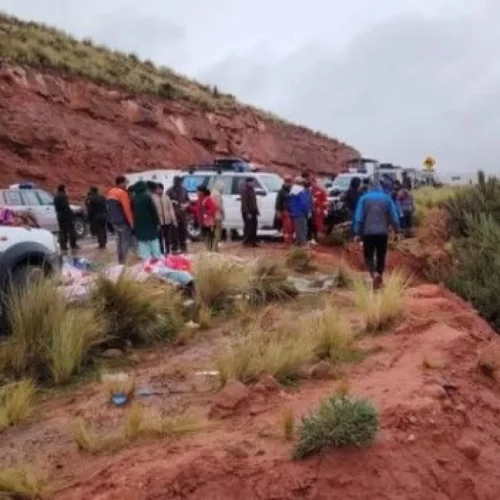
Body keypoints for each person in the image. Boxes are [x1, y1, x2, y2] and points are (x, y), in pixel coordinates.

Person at [353, 179, 400, 289]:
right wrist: (397, 231)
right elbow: (394, 217)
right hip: (383, 233)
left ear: (369, 187)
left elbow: (358, 217)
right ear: (381, 187)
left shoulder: (363, 198)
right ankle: (379, 275)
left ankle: (373, 273)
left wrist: (356, 232)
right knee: (381, 255)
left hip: (368, 233)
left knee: (368, 255)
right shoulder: (387, 198)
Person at [131, 181, 162, 260]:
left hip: (139, 226)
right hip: (150, 225)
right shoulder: (147, 197)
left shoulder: (133, 199)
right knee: (154, 244)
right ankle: (157, 262)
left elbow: (132, 213)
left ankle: (147, 264)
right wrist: (157, 223)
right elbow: (153, 212)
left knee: (143, 246)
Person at [107, 175, 134, 264]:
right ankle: (125, 261)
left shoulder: (110, 192)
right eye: (125, 183)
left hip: (114, 221)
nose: (126, 185)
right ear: (121, 183)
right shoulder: (122, 193)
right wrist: (131, 223)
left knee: (118, 241)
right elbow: (127, 209)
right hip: (123, 221)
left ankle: (120, 260)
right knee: (125, 241)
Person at [152, 183, 177, 255]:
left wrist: (174, 220)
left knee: (167, 237)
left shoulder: (166, 197)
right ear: (155, 190)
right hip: (158, 221)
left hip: (167, 221)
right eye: (157, 189)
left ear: (162, 189)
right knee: (159, 238)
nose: (159, 190)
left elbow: (171, 209)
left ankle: (168, 251)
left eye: (160, 188)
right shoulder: (153, 198)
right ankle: (161, 251)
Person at [167, 176, 190, 254]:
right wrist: (172, 202)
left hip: (182, 214)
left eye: (180, 181)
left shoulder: (184, 190)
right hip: (173, 214)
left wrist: (185, 205)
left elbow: (188, 200)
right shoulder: (169, 191)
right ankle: (174, 248)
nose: (179, 183)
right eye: (178, 181)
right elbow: (166, 201)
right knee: (173, 231)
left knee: (183, 230)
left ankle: (183, 247)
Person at [54, 184, 78, 253]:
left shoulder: (56, 196)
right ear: (63, 189)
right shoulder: (63, 196)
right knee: (71, 231)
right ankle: (73, 245)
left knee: (62, 231)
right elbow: (66, 207)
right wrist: (72, 215)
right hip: (66, 216)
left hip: (59, 216)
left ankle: (63, 246)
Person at [288, 177, 312, 247]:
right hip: (301, 213)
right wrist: (307, 212)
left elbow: (290, 202)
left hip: (295, 213)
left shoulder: (293, 190)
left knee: (298, 229)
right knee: (303, 229)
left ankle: (298, 244)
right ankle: (303, 245)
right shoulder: (301, 191)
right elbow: (304, 203)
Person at [240, 177, 259, 247]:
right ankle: (246, 241)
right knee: (248, 227)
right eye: (252, 182)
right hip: (248, 211)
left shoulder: (252, 189)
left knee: (254, 226)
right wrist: (247, 212)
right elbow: (244, 202)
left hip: (253, 211)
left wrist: (256, 210)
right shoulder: (244, 190)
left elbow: (254, 201)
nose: (254, 184)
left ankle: (253, 241)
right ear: (248, 182)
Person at [275, 175, 293, 245]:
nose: (289, 183)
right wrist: (278, 211)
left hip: (291, 211)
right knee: (287, 227)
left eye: (290, 182)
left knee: (290, 228)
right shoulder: (281, 191)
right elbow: (278, 202)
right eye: (287, 182)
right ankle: (287, 242)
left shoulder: (290, 190)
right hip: (285, 211)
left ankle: (289, 242)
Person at [301, 172, 316, 243]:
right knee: (305, 225)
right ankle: (307, 239)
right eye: (307, 178)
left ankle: (310, 238)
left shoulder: (309, 186)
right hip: (305, 209)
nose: (308, 180)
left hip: (310, 208)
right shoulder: (302, 187)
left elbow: (310, 197)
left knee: (310, 224)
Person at [211, 180, 225, 251]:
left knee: (213, 231)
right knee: (217, 231)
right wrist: (223, 212)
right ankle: (215, 248)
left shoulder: (212, 193)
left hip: (212, 215)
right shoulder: (217, 195)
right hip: (218, 215)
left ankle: (213, 247)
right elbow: (219, 205)